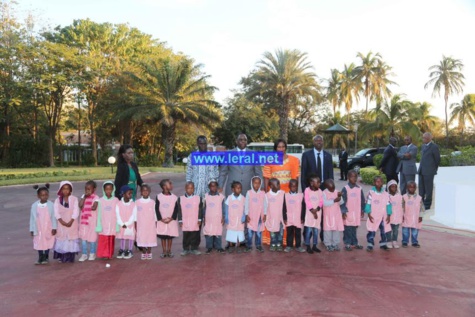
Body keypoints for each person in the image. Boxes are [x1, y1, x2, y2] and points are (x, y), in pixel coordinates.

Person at [262, 139, 299, 246]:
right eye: (279, 147)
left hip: (287, 194)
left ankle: (287, 240)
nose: (281, 149)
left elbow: (295, 178)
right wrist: (266, 193)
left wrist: (295, 194)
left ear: (286, 148)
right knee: (273, 215)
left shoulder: (294, 160)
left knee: (286, 215)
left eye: (283, 147)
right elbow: (266, 177)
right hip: (274, 194)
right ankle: (272, 240)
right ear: (275, 148)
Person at [301, 135, 334, 242]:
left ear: (323, 142)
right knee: (309, 213)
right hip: (310, 189)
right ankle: (307, 238)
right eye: (316, 140)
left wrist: (331, 191)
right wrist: (305, 191)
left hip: (324, 188)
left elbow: (331, 175)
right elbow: (303, 174)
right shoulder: (306, 155)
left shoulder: (328, 156)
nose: (319, 142)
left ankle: (323, 237)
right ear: (313, 142)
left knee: (323, 213)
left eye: (321, 140)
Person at [53, 181, 80, 263]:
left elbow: (76, 211)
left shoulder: (74, 199)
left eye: (67, 189)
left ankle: (69, 257)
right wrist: (62, 221)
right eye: (63, 189)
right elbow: (56, 212)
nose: (65, 191)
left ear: (70, 190)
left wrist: (71, 221)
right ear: (60, 190)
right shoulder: (57, 200)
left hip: (72, 223)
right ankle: (62, 257)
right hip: (61, 223)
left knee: (70, 239)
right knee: (62, 239)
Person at [30, 184, 56, 265]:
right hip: (38, 228)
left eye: (45, 195)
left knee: (47, 241)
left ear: (48, 195)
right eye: (42, 195)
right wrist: (31, 229)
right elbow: (32, 218)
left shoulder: (51, 205)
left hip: (47, 227)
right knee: (39, 242)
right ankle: (40, 257)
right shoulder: (34, 206)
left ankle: (46, 256)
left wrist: (54, 227)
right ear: (38, 196)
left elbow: (53, 217)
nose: (44, 197)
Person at [364, 176, 392, 252]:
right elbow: (368, 204)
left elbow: (388, 204)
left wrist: (389, 215)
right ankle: (370, 244)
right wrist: (369, 214)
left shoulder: (386, 194)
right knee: (372, 230)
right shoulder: (371, 193)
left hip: (383, 216)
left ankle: (383, 244)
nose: (379, 183)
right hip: (374, 216)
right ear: (374, 183)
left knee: (384, 230)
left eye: (381, 182)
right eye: (377, 182)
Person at [340, 170, 365, 251]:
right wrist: (343, 211)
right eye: (352, 177)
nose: (354, 179)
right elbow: (342, 201)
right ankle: (347, 243)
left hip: (356, 212)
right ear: (348, 178)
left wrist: (362, 210)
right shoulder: (345, 189)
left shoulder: (359, 189)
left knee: (354, 228)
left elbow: (362, 200)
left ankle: (354, 243)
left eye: (355, 177)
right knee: (347, 228)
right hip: (348, 212)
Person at [155, 179, 179, 258]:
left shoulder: (174, 197)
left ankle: (169, 250)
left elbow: (176, 209)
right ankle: (164, 251)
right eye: (170, 184)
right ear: (164, 187)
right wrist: (160, 219)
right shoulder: (158, 197)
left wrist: (172, 218)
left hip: (171, 221)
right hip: (162, 221)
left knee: (170, 236)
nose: (171, 185)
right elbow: (157, 209)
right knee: (163, 237)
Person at [178, 182, 203, 256]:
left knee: (194, 235)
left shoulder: (198, 198)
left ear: (194, 189)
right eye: (188, 188)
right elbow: (179, 210)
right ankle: (185, 249)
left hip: (194, 221)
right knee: (186, 235)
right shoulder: (181, 199)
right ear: (185, 189)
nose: (190, 190)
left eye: (192, 188)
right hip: (185, 221)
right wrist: (180, 220)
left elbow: (200, 210)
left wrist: (199, 219)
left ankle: (194, 248)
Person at [96, 181, 119, 259]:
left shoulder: (116, 200)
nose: (108, 191)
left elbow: (117, 213)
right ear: (104, 190)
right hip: (104, 223)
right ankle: (103, 254)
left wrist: (117, 224)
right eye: (107, 189)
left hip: (112, 223)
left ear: (113, 190)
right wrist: (99, 224)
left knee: (110, 239)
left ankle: (109, 254)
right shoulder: (101, 200)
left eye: (110, 189)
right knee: (103, 239)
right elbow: (99, 213)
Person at [418, 132, 440, 210]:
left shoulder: (434, 147)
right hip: (421, 171)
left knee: (428, 189)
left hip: (429, 171)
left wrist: (433, 169)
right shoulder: (423, 146)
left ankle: (427, 205)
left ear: (429, 138)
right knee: (421, 189)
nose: (423, 139)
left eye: (424, 138)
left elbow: (437, 159)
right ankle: (421, 204)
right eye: (423, 137)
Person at [78, 180, 100, 262]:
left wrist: (87, 207)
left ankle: (92, 253)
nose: (87, 191)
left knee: (92, 238)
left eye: (89, 189)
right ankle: (84, 254)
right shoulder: (83, 196)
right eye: (86, 189)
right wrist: (84, 197)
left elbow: (94, 207)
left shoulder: (96, 198)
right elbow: (80, 205)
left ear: (94, 189)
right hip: (83, 221)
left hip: (92, 221)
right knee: (83, 238)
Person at [203, 180, 226, 254]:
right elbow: (204, 207)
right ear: (209, 187)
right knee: (209, 232)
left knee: (218, 232)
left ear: (217, 187)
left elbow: (223, 208)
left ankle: (218, 247)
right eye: (212, 186)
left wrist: (223, 216)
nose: (213, 188)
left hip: (218, 218)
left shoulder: (221, 197)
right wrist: (204, 217)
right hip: (208, 218)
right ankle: (209, 247)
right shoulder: (206, 196)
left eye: (215, 186)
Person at [245, 176, 267, 253]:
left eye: (258, 183)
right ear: (252, 183)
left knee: (258, 233)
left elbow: (265, 204)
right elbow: (246, 204)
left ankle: (258, 245)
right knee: (250, 233)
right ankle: (249, 246)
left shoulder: (263, 193)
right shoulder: (249, 193)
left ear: (260, 184)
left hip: (259, 217)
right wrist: (246, 214)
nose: (256, 185)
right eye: (255, 183)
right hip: (251, 217)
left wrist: (265, 214)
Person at [135, 184, 157, 260]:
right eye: (143, 190)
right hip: (141, 223)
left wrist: (155, 222)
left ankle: (149, 251)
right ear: (140, 192)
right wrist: (135, 222)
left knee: (150, 236)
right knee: (141, 237)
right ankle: (144, 252)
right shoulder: (137, 202)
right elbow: (135, 213)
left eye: (147, 190)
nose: (145, 192)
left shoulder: (152, 202)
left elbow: (155, 213)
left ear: (149, 191)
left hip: (150, 223)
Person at [283, 179, 306, 253]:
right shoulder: (286, 195)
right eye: (292, 186)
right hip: (289, 218)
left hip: (297, 218)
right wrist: (285, 218)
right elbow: (284, 207)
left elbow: (303, 207)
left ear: (297, 186)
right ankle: (289, 246)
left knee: (298, 233)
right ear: (289, 186)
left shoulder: (301, 195)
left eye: (295, 186)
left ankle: (298, 246)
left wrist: (302, 217)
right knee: (289, 233)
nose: (294, 188)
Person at [322, 179, 344, 252]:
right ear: (327, 187)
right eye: (331, 189)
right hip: (328, 215)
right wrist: (334, 201)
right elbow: (324, 203)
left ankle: (335, 244)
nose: (333, 190)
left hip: (336, 214)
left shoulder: (337, 192)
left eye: (333, 188)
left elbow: (341, 202)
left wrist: (340, 197)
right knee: (327, 230)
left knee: (336, 229)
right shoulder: (324, 193)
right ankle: (328, 244)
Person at [303, 175, 323, 254]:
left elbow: (321, 201)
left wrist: (317, 209)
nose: (319, 183)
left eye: (319, 182)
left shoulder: (320, 191)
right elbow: (307, 201)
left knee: (315, 231)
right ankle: (308, 246)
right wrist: (312, 211)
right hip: (310, 213)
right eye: (317, 182)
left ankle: (314, 245)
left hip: (317, 213)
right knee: (308, 231)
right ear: (311, 183)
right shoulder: (307, 190)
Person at [224, 181, 246, 253]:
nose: (239, 190)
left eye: (240, 188)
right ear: (233, 189)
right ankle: (231, 246)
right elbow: (226, 207)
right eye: (237, 188)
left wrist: (244, 216)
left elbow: (245, 208)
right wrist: (226, 216)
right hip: (231, 219)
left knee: (239, 234)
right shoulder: (229, 198)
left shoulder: (243, 198)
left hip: (239, 220)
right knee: (231, 233)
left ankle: (238, 246)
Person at [402, 181, 425, 248]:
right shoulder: (404, 197)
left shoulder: (419, 198)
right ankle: (405, 242)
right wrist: (402, 216)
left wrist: (421, 216)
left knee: (415, 231)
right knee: (405, 231)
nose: (411, 188)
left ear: (415, 188)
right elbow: (402, 207)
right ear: (407, 188)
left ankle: (414, 242)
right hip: (406, 217)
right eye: (410, 187)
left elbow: (422, 208)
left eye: (413, 187)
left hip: (415, 217)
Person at [116, 185, 136, 259]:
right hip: (122, 224)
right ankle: (122, 249)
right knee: (122, 236)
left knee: (130, 236)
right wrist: (121, 223)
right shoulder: (118, 204)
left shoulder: (133, 204)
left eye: (131, 193)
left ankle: (130, 250)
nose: (130, 194)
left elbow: (133, 215)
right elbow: (117, 214)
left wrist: (127, 224)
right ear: (123, 194)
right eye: (129, 193)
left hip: (129, 224)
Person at [264, 178, 285, 252]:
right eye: (278, 184)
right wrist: (265, 216)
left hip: (280, 218)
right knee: (272, 233)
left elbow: (285, 206)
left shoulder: (282, 193)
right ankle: (273, 244)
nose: (279, 185)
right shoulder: (267, 196)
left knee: (280, 233)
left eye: (279, 183)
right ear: (271, 186)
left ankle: (279, 244)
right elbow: (265, 207)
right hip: (271, 218)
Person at [386, 180, 403, 249]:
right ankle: (389, 241)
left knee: (395, 230)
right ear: (388, 188)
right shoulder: (386, 196)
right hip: (389, 217)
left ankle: (394, 241)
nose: (394, 188)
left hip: (397, 217)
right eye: (392, 187)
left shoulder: (399, 196)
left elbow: (401, 206)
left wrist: (402, 215)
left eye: (395, 187)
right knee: (388, 230)